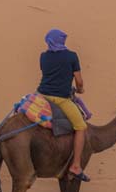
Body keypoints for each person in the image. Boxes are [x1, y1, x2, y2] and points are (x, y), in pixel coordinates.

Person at [37, 28, 89, 182]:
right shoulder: (72, 56)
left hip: (42, 95)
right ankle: (76, 166)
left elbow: (49, 75)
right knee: (81, 127)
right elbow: (79, 81)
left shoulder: (43, 57)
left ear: (49, 41)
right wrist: (80, 89)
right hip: (61, 99)